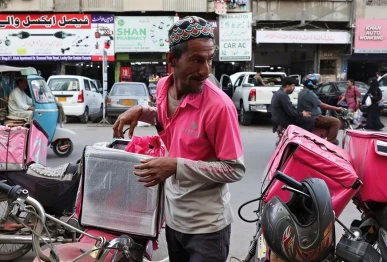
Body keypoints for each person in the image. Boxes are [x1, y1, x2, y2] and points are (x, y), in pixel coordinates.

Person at [113, 16, 245, 262]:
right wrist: (143, 111)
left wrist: (175, 165)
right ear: (172, 60)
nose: (205, 70)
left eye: (209, 60)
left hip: (207, 228)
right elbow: (169, 119)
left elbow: (234, 169)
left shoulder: (220, 107)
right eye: (196, 60)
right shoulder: (163, 86)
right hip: (173, 220)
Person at [297, 74, 343, 145]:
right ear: (311, 83)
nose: (317, 83)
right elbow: (322, 105)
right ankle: (331, 143)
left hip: (307, 118)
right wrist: (337, 108)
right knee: (336, 122)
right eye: (316, 82)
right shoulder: (309, 93)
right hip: (315, 118)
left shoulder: (302, 92)